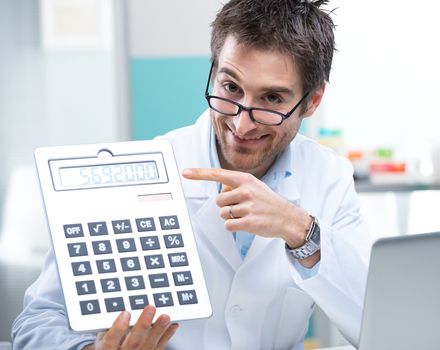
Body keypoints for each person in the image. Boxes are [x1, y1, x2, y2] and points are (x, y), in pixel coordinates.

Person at [12, 0, 373, 349]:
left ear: (312, 101)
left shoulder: (328, 178)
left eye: (272, 100)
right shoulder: (135, 171)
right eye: (230, 88)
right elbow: (37, 320)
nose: (242, 123)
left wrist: (299, 229)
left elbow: (374, 323)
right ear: (214, 72)